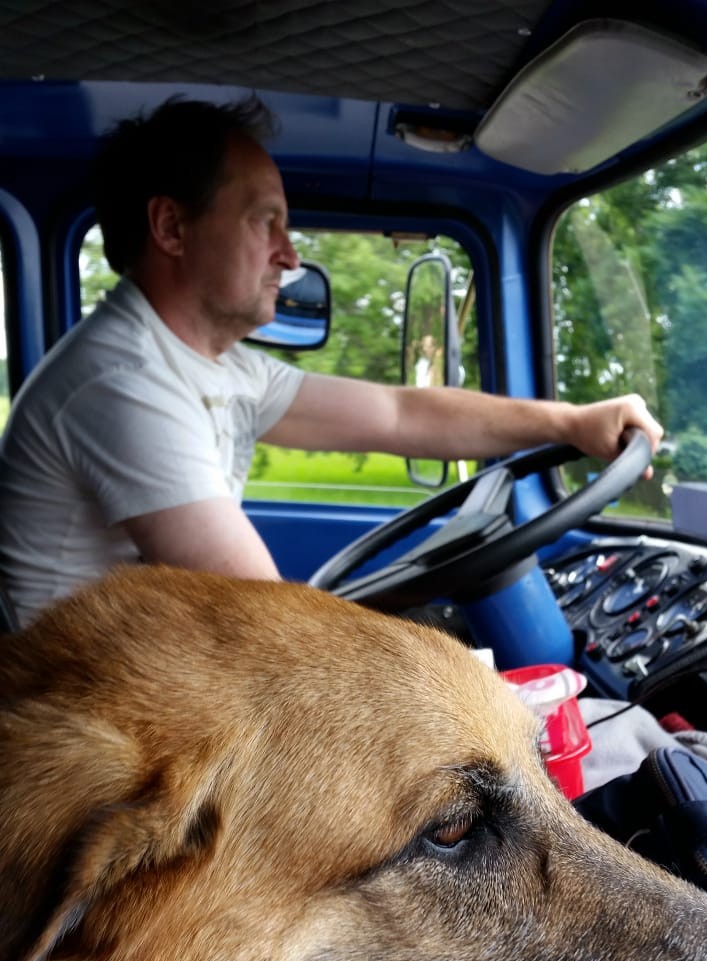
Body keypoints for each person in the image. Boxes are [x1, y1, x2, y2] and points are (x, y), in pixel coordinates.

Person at [0, 97, 662, 627]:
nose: (289, 256)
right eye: (265, 222)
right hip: (81, 729)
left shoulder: (217, 366)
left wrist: (571, 422)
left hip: (134, 690)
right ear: (172, 228)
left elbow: (400, 414)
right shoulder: (123, 382)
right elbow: (263, 617)